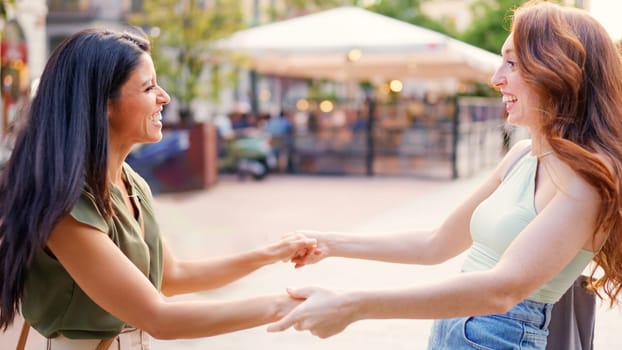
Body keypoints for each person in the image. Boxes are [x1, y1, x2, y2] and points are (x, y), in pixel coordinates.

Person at [267, 1, 622, 349]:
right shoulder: (521, 157)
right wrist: (329, 244)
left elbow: (502, 290)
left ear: (557, 72)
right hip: (457, 326)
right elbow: (435, 244)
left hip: (503, 335)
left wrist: (352, 305)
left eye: (512, 63)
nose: (496, 79)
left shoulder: (589, 180)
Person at [0, 28, 316, 349]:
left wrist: (268, 254)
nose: (164, 97)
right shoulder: (64, 204)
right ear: (103, 103)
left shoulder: (131, 182)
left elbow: (171, 276)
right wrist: (287, 307)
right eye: (149, 87)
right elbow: (159, 317)